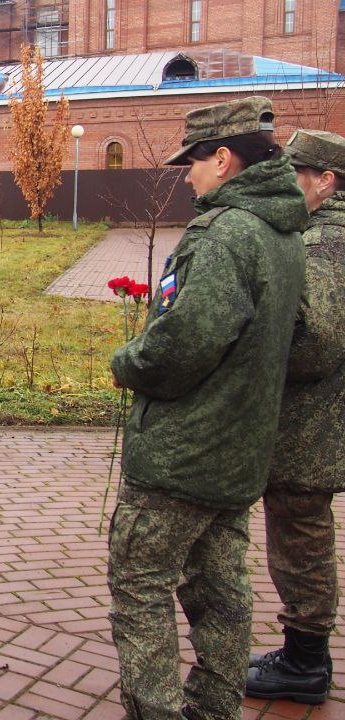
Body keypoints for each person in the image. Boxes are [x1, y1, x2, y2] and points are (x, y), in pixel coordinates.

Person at [107, 96, 307, 720]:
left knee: (140, 585)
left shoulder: (225, 234)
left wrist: (128, 362)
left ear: (222, 159)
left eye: (192, 161)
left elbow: (185, 343)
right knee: (221, 590)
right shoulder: (283, 231)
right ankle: (215, 707)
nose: (187, 175)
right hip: (238, 453)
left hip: (183, 456)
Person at [245, 128, 345, 705]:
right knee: (303, 532)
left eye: (296, 174)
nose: (287, 184)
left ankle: (305, 663)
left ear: (326, 181)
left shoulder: (325, 243)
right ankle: (306, 654)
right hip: (319, 421)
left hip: (310, 426)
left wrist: (255, 357)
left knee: (301, 537)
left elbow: (318, 343)